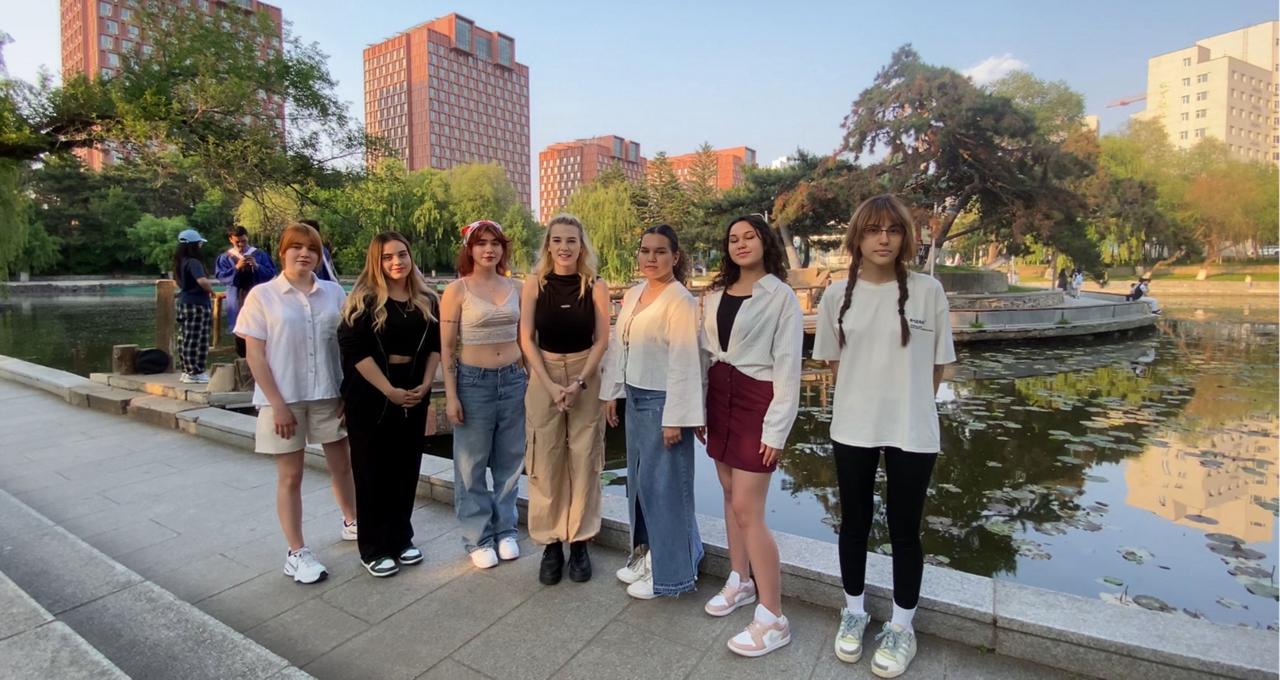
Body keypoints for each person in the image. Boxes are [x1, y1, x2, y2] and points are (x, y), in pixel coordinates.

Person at [812, 195, 956, 678]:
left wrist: (908, 405)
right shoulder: (836, 295)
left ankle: (901, 625)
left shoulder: (928, 291)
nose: (883, 239)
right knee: (853, 523)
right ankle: (854, 611)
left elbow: (937, 366)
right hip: (853, 426)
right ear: (858, 236)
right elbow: (836, 364)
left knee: (904, 529)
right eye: (873, 230)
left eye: (893, 230)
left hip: (913, 429)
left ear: (905, 237)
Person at [697, 215, 803, 657]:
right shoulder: (715, 294)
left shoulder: (781, 297)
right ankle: (740, 580)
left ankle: (773, 615)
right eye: (733, 239)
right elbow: (705, 355)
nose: (740, 244)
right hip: (719, 396)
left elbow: (788, 368)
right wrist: (697, 407)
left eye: (749, 237)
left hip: (757, 401)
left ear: (765, 242)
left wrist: (776, 430)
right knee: (728, 494)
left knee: (748, 507)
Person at [235, 221, 359, 585]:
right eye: (297, 247)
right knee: (291, 476)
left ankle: (353, 520)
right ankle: (296, 551)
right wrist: (277, 403)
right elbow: (255, 354)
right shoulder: (263, 296)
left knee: (342, 465)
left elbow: (348, 346)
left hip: (328, 394)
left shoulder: (333, 293)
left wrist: (348, 392)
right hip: (283, 398)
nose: (304, 254)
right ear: (283, 251)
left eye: (312, 249)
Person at [602, 224, 705, 600]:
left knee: (666, 489)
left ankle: (672, 574)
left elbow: (684, 361)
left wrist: (676, 417)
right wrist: (612, 393)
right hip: (635, 397)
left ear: (675, 257)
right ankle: (648, 555)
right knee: (640, 484)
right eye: (645, 250)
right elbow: (620, 346)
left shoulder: (681, 301)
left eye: (660, 251)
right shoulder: (634, 294)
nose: (651, 258)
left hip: (663, 401)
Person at [338, 232, 442, 578]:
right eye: (388, 257)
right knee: (371, 470)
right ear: (376, 261)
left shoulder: (426, 299)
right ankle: (373, 547)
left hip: (414, 390)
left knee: (405, 468)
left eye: (402, 254)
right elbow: (355, 351)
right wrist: (388, 390)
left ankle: (401, 537)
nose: (397, 261)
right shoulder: (363, 301)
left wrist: (426, 383)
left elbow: (436, 346)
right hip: (372, 394)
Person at [518, 214, 611, 585]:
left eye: (571, 240)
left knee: (584, 457)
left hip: (585, 372)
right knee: (545, 457)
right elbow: (526, 338)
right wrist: (549, 384)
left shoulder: (596, 285)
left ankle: (581, 540)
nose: (564, 247)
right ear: (548, 245)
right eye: (557, 240)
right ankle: (551, 542)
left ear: (581, 245)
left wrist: (579, 383)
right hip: (544, 371)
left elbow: (602, 340)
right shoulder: (534, 284)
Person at [439, 219, 526, 569]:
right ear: (470, 249)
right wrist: (451, 395)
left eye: (495, 243)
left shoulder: (518, 287)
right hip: (474, 382)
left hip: (513, 379)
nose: (489, 249)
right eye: (481, 243)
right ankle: (478, 537)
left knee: (510, 460)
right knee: (471, 464)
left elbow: (525, 339)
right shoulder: (457, 290)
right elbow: (447, 348)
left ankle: (506, 529)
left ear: (503, 248)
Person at [215, 225, 277, 357]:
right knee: (240, 333)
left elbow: (271, 273)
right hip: (236, 298)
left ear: (247, 237)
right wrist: (236, 268)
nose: (241, 244)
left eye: (244, 241)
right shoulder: (226, 257)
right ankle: (242, 360)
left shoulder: (259, 255)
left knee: (260, 329)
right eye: (237, 242)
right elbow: (221, 277)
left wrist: (257, 266)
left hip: (257, 298)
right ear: (231, 239)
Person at [174, 229, 216, 384]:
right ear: (193, 245)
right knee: (198, 338)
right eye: (199, 243)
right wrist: (212, 291)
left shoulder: (180, 262)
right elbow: (202, 280)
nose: (200, 246)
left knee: (185, 337)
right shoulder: (194, 262)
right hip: (197, 304)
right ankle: (195, 372)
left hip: (184, 302)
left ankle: (186, 370)